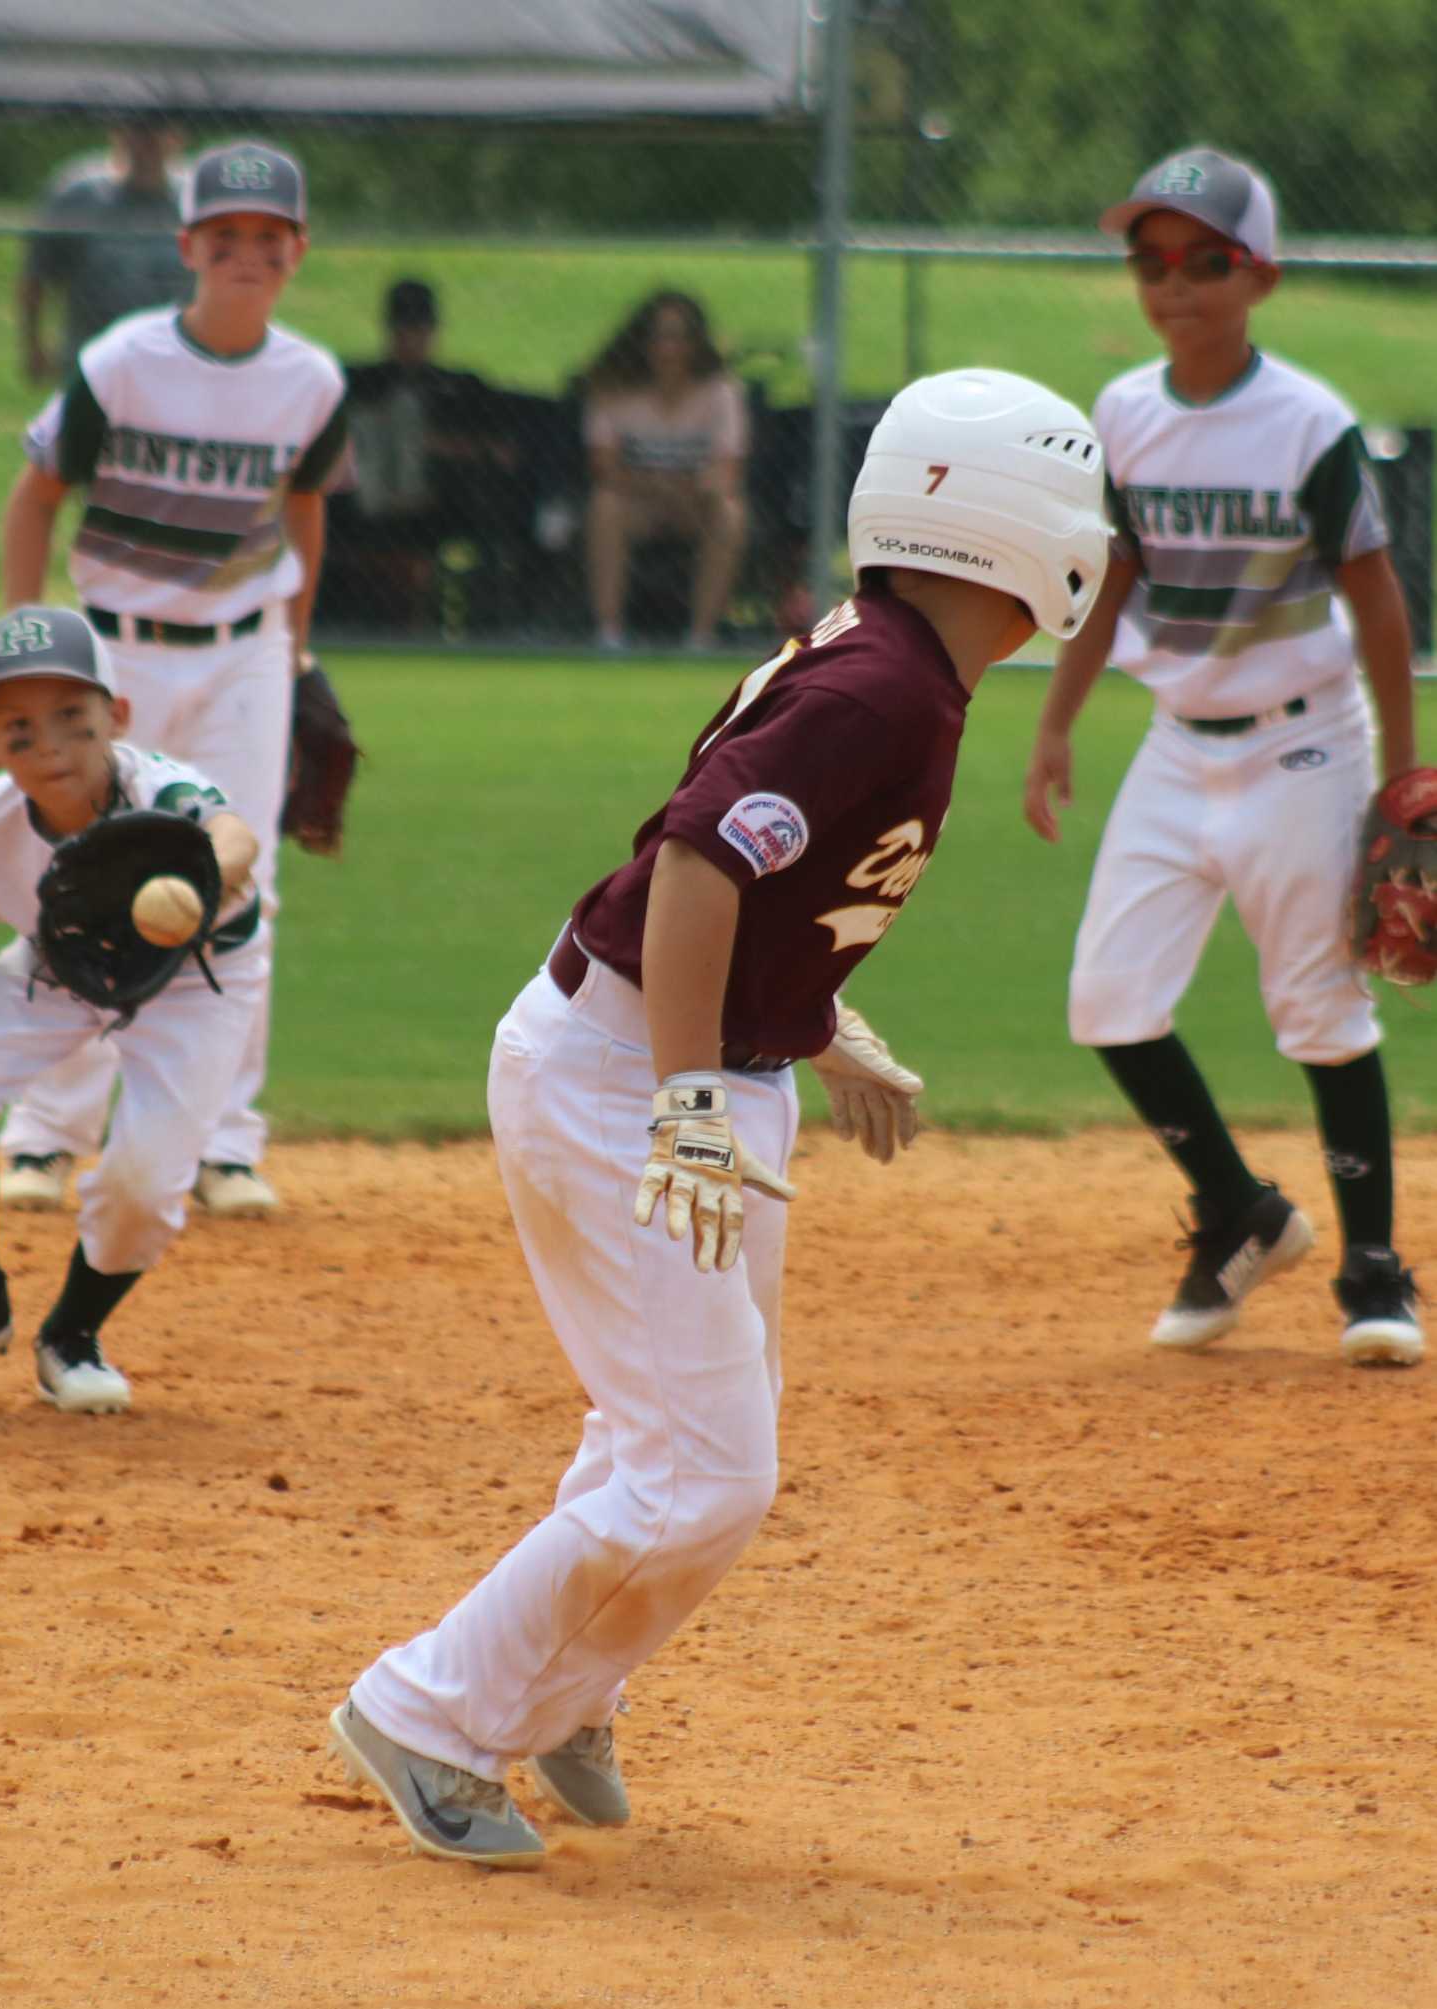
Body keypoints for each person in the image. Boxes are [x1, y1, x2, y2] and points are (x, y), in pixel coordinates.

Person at [326, 366, 1112, 1867]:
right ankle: (428, 1712)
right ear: (1019, 529)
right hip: (635, 1072)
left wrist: (817, 1032)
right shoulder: (879, 685)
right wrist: (688, 1093)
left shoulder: (897, 669)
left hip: (684, 1065)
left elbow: (769, 895)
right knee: (708, 1468)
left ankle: (559, 1693)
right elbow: (693, 865)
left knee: (666, 1443)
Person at [1022, 146, 1424, 1368]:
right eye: (1150, 260)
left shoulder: (1308, 421)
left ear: (1261, 275)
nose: (1174, 283)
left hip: (1305, 742)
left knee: (1316, 1006)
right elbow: (1114, 574)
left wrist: (1404, 791)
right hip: (1173, 743)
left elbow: (1378, 601)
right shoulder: (1125, 414)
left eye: (1205, 260)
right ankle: (1245, 1211)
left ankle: (1373, 1268)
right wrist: (1054, 720)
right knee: (1108, 998)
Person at [0, 139, 351, 1221]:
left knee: (243, 883)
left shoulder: (311, 380)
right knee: (80, 868)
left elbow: (303, 511)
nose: (247, 254)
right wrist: (31, 644)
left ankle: (222, 1142)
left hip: (244, 650)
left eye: (268, 238)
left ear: (296, 253)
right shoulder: (121, 363)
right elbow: (35, 495)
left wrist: (295, 652)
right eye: (226, 236)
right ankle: (44, 1137)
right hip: (115, 652)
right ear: (188, 245)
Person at [0, 605, 263, 1414]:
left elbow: (235, 835)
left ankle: (71, 1337)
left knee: (146, 1179)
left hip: (198, 974)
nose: (52, 745)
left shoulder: (163, 789)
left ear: (119, 718)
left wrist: (197, 871)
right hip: (68, 958)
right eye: (20, 730)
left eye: (73, 718)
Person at [328, 277, 521, 631]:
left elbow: (501, 450)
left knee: (405, 414)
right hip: (362, 498)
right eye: (403, 330)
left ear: (434, 332)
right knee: (380, 421)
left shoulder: (463, 387)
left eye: (419, 330)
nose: (412, 340)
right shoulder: (359, 380)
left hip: (443, 501)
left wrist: (427, 445)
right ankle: (393, 481)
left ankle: (405, 476)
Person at [582, 290, 750, 653]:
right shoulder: (614, 389)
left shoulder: (721, 392)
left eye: (678, 337)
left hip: (695, 505)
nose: (668, 348)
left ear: (696, 343)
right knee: (605, 505)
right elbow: (605, 468)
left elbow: (726, 472)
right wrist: (658, 487)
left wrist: (686, 490)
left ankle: (701, 636)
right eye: (658, 336)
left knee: (730, 512)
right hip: (638, 504)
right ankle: (609, 633)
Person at [19, 116, 190, 385]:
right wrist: (34, 344)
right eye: (137, 131)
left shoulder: (194, 199)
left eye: (157, 132)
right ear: (118, 134)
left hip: (175, 364)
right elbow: (37, 276)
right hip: (91, 358)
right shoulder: (79, 194)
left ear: (177, 138)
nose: (146, 143)